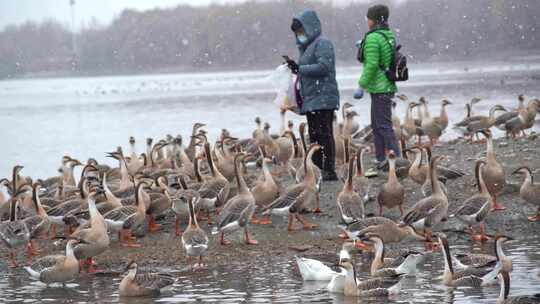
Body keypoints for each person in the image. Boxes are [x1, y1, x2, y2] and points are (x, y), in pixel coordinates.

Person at [285, 10, 340, 181]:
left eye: (301, 31)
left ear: (310, 27)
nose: (299, 35)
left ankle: (329, 170)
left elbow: (324, 67)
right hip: (311, 99)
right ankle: (316, 169)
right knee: (314, 135)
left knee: (324, 134)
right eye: (297, 32)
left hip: (323, 98)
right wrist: (294, 67)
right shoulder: (306, 47)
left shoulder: (323, 44)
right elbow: (308, 69)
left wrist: (299, 68)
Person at [356, 4, 401, 166]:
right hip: (387, 85)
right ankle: (381, 159)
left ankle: (398, 159)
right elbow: (384, 57)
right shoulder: (387, 34)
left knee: (382, 125)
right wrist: (365, 46)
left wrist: (361, 85)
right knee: (377, 125)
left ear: (373, 20)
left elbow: (372, 64)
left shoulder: (373, 37)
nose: (366, 21)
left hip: (379, 87)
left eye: (368, 18)